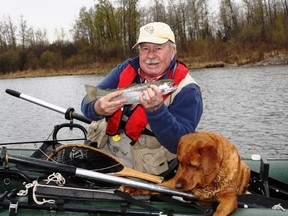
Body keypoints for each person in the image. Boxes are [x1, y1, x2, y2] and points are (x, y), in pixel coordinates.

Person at [81, 22, 203, 175]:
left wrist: (157, 110)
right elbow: (86, 104)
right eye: (145, 48)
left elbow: (180, 144)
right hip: (106, 151)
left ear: (173, 51)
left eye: (158, 48)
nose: (151, 55)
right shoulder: (125, 69)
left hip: (145, 170)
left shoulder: (187, 90)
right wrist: (97, 108)